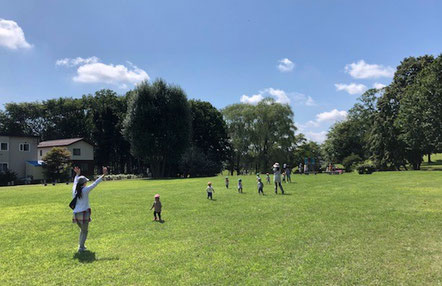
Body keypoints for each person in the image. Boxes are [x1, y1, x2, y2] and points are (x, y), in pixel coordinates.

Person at [72, 166, 107, 252]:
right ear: (83, 183)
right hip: (83, 213)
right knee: (85, 231)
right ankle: (81, 247)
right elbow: (95, 183)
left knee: (82, 230)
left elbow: (75, 182)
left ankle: (81, 245)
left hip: (76, 214)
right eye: (86, 182)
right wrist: (103, 175)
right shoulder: (85, 190)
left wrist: (77, 175)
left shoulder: (74, 190)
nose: (86, 183)